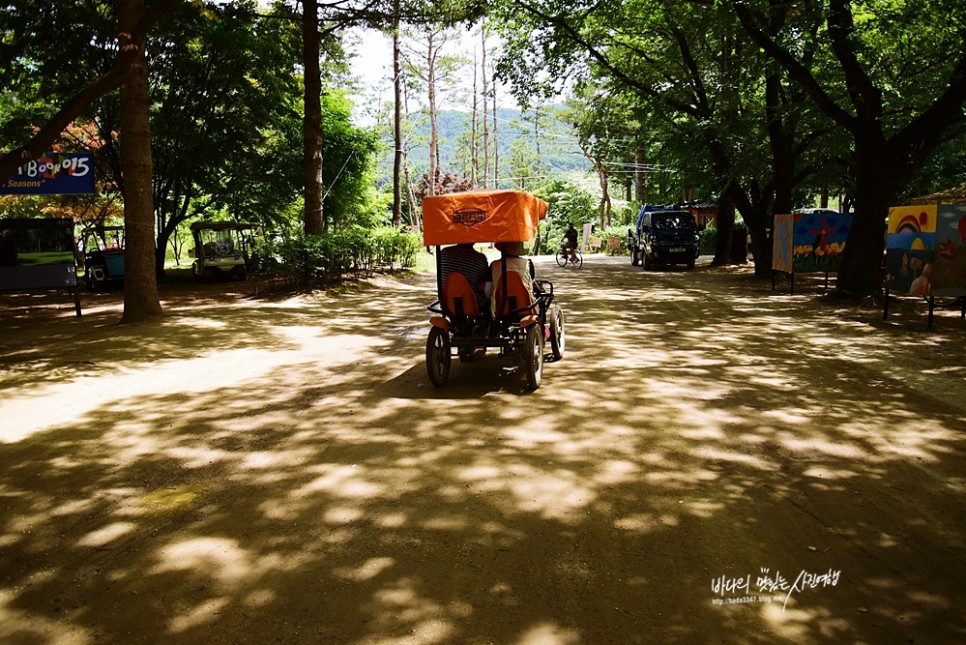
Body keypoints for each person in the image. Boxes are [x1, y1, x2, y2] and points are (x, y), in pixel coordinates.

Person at [484, 241, 538, 318]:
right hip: (525, 306)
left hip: (500, 307)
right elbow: (531, 287)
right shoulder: (527, 264)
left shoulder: (494, 265)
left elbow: (487, 290)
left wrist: (492, 299)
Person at [439, 242, 489, 312]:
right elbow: (483, 282)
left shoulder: (444, 253)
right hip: (473, 302)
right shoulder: (480, 258)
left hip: (446, 300)